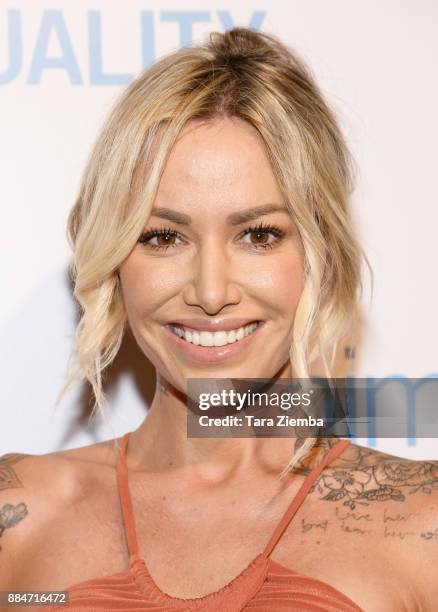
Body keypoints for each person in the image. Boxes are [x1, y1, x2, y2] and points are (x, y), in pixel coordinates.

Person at [1, 27, 437, 612]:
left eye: (259, 235)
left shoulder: (420, 524)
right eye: (163, 236)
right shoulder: (20, 518)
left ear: (319, 251)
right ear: (113, 258)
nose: (210, 292)